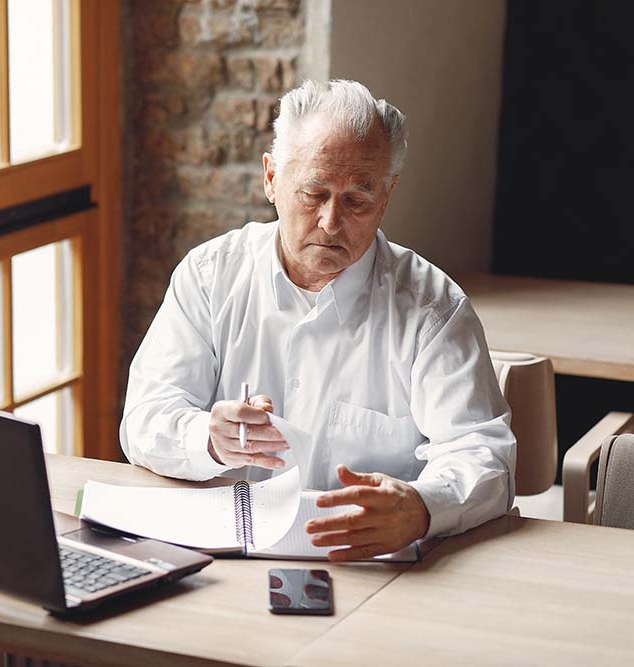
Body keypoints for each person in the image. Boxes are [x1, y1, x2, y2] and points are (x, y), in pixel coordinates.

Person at [120, 79, 516, 561]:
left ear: (387, 195)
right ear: (271, 179)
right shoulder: (210, 276)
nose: (331, 223)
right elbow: (144, 417)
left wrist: (421, 506)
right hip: (222, 561)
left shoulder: (432, 309)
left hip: (373, 569)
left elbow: (483, 454)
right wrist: (207, 439)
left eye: (357, 200)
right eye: (313, 193)